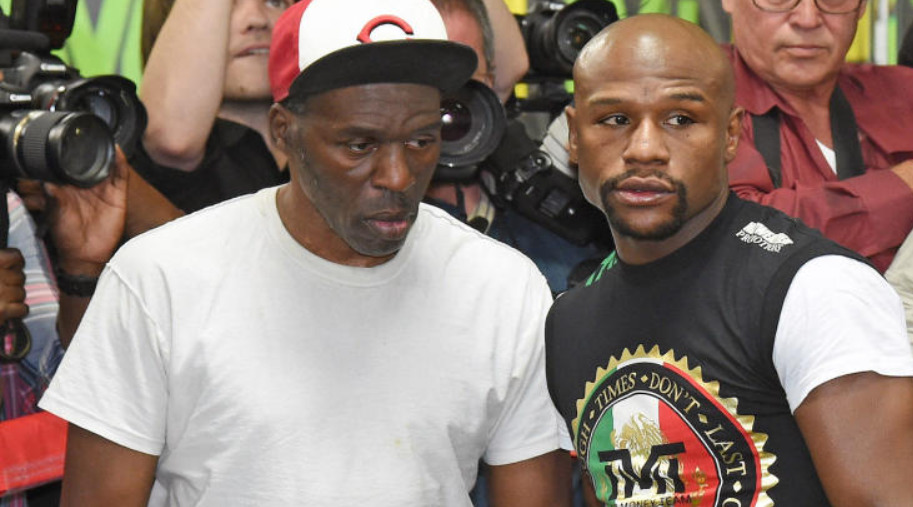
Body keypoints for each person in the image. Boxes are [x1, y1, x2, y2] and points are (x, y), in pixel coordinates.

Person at [39, 0, 571, 505]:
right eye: (358, 145)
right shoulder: (159, 279)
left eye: (421, 140)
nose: (398, 176)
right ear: (284, 131)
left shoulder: (502, 287)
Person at [546, 13, 913, 506]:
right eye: (615, 119)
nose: (645, 149)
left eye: (681, 119)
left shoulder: (816, 288)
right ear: (574, 136)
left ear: (731, 135)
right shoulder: (568, 320)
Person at [427, 0, 607, 293]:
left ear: (492, 80)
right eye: (429, 84)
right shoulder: (374, 221)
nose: (448, 108)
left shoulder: (556, 228)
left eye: (465, 82)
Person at [721, 0, 913, 274]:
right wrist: (902, 187)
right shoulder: (691, 98)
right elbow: (736, 233)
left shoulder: (902, 93)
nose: (808, 19)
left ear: (862, 7)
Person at [134, 0, 293, 213]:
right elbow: (173, 140)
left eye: (275, 2)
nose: (256, 20)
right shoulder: (160, 150)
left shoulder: (331, 146)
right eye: (229, 5)